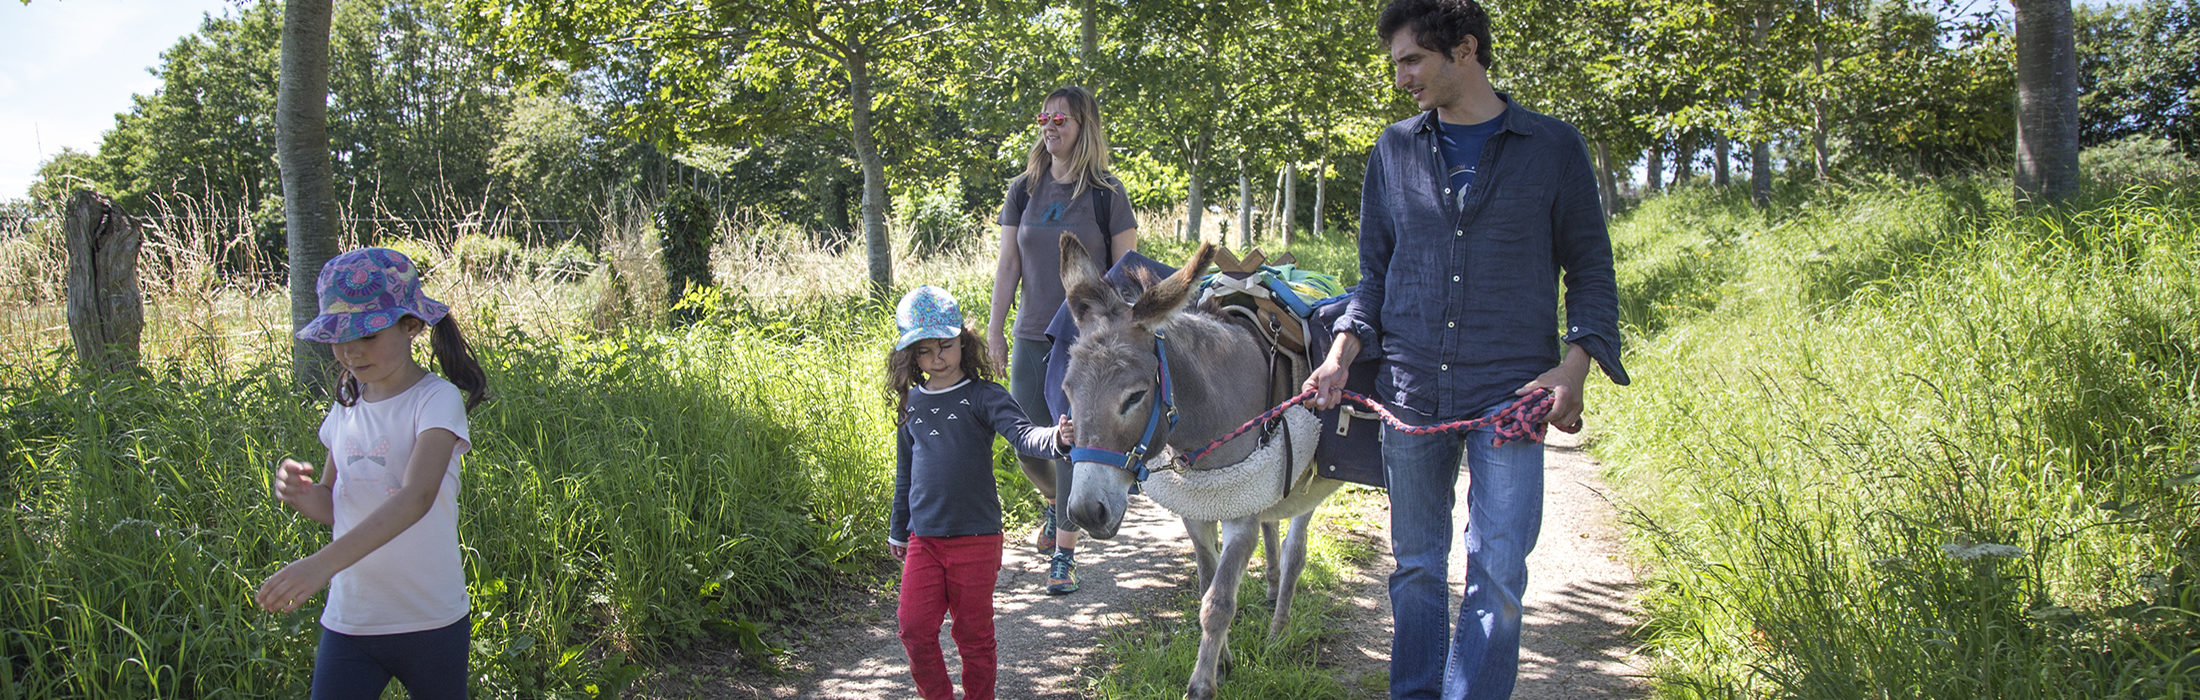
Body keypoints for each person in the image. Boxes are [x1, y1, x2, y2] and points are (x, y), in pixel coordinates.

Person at [1302, 1, 1630, 698]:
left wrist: (1576, 366)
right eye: (1396, 64)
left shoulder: (1553, 148)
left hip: (1512, 396)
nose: (1401, 78)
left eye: (1412, 60)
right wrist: (1339, 353)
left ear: (1466, 50)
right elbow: (1376, 273)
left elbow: (1592, 271)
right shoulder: (1392, 151)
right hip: (1412, 394)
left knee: (1500, 572)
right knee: (1416, 567)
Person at [257, 247, 490, 699]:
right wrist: (300, 492)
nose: (350, 350)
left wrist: (318, 567)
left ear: (411, 326)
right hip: (353, 620)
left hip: (430, 618)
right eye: (339, 335)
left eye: (367, 334)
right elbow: (334, 503)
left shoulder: (434, 400)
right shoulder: (347, 403)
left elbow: (416, 498)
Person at [887, 285, 1075, 700]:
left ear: (963, 343)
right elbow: (905, 473)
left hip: (976, 538)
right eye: (924, 350)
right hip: (925, 540)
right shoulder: (912, 403)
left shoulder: (983, 395)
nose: (937, 357)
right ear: (911, 356)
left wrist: (1058, 440)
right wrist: (899, 529)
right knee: (913, 628)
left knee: (973, 637)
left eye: (945, 345)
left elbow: (1024, 436)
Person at [988, 85, 1138, 595]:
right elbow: (1009, 265)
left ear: (1083, 127)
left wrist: (1121, 337)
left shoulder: (1106, 194)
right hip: (1031, 334)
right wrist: (994, 330)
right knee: (1026, 442)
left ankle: (1064, 556)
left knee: (1070, 442)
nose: (1050, 126)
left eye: (1062, 119)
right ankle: (1056, 505)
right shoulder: (1024, 189)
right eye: (1044, 117)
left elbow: (1126, 272)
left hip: (1085, 344)